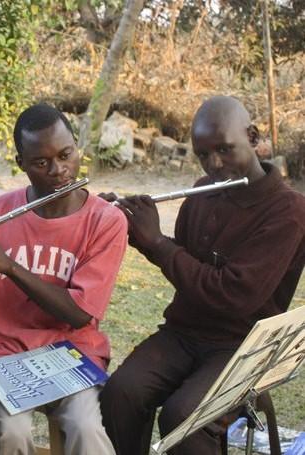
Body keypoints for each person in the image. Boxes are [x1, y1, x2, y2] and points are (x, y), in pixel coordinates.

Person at [100, 96, 305, 455]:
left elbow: (233, 295)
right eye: (203, 155)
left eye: (225, 150)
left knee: (183, 420)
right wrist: (133, 228)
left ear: (254, 137)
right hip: (184, 333)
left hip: (242, 345)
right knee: (122, 393)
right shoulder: (200, 193)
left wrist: (160, 244)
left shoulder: (289, 211)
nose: (215, 165)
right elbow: (189, 266)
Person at [0, 103, 128, 455]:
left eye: (66, 155)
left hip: (74, 351)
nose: (59, 171)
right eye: (41, 163)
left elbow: (80, 313)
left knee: (85, 427)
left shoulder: (105, 220)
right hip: (2, 350)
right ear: (21, 164)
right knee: (12, 432)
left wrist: (11, 268)